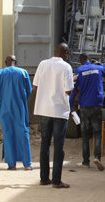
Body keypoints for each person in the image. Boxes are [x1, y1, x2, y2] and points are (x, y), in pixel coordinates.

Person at [33, 43, 74, 188]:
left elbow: (35, 85)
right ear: (66, 53)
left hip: (44, 110)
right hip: (59, 111)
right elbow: (68, 90)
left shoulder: (43, 64)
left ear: (55, 51)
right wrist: (72, 81)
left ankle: (44, 178)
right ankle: (56, 181)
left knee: (45, 145)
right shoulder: (66, 67)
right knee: (58, 146)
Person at [0, 55, 33, 170]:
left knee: (8, 133)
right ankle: (27, 164)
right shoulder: (23, 72)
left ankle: (12, 165)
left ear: (5, 62)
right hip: (20, 108)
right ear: (16, 61)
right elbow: (29, 90)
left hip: (5, 108)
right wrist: (22, 98)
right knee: (23, 132)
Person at [69, 53, 105, 171]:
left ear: (81, 61)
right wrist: (99, 64)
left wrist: (70, 106)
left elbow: (73, 89)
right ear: (89, 60)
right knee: (97, 133)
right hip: (96, 104)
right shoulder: (98, 68)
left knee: (85, 134)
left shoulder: (79, 70)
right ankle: (97, 157)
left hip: (84, 106)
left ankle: (85, 161)